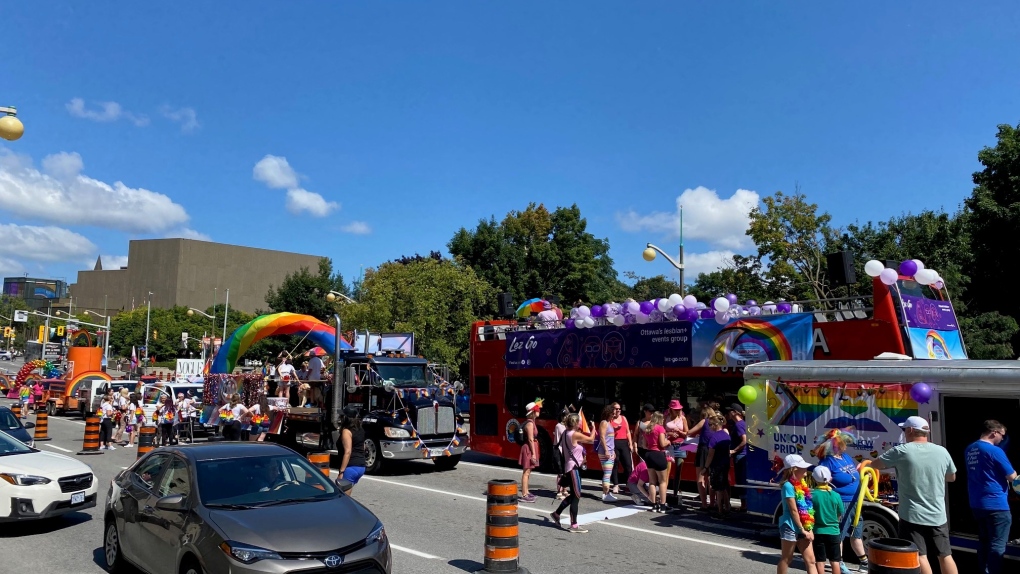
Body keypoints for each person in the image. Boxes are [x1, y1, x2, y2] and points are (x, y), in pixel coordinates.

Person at [872, 416, 958, 574]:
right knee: (945, 555)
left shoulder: (901, 451)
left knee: (920, 555)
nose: (904, 433)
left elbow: (875, 465)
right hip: (938, 515)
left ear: (910, 430)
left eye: (905, 429)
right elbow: (951, 477)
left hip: (912, 515)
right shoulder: (942, 451)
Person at [964, 420, 1018, 574]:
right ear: (994, 432)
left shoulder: (970, 449)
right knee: (997, 545)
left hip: (977, 504)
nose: (1002, 438)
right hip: (996, 505)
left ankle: (984, 571)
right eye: (1002, 435)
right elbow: (1012, 476)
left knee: (984, 542)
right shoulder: (995, 451)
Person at [814, 429, 869, 572]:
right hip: (842, 502)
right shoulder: (827, 462)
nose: (842, 445)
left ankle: (864, 562)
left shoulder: (845, 457)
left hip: (855, 502)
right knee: (839, 535)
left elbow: (853, 473)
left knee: (856, 533)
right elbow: (822, 480)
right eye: (839, 443)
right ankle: (839, 562)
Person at [551, 413, 595, 533]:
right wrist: (593, 427)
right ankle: (574, 525)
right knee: (576, 496)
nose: (581, 423)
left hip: (570, 467)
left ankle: (556, 513)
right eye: (579, 422)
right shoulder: (574, 434)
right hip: (573, 469)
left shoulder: (566, 433)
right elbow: (591, 439)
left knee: (575, 495)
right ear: (575, 423)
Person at [777, 454, 818, 574]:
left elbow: (806, 509)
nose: (806, 470)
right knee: (787, 559)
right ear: (794, 469)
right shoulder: (788, 486)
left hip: (804, 526)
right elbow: (793, 510)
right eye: (803, 467)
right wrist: (802, 530)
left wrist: (809, 528)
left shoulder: (802, 484)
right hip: (790, 526)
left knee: (811, 560)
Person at [811, 466, 845, 574]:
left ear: (814, 479)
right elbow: (840, 513)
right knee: (835, 560)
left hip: (817, 531)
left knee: (820, 560)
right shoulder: (836, 495)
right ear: (830, 479)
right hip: (834, 531)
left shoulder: (812, 495)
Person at [690, 403, 719, 510]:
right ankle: (712, 503)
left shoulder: (704, 421)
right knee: (711, 478)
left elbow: (689, 432)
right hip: (714, 450)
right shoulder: (716, 423)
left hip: (703, 450)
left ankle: (704, 504)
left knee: (701, 478)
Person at [702, 414, 732, 516]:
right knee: (723, 486)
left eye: (710, 425)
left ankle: (720, 510)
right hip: (725, 464)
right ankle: (727, 507)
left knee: (718, 488)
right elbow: (728, 451)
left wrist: (705, 467)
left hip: (717, 465)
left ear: (715, 425)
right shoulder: (726, 435)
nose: (709, 427)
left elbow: (710, 455)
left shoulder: (714, 437)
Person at [643, 411, 672, 513]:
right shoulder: (660, 428)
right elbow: (662, 444)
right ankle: (663, 505)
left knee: (652, 482)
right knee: (662, 482)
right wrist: (668, 441)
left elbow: (644, 444)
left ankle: (654, 505)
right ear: (660, 419)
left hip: (649, 454)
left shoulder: (647, 429)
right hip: (658, 455)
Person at [338, 405, 367, 495]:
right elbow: (364, 447)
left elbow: (348, 452)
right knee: (346, 495)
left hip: (351, 467)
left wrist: (341, 471)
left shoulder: (346, 431)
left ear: (346, 418)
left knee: (343, 498)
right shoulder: (360, 429)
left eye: (342, 416)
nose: (340, 418)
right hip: (361, 466)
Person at [664, 399, 688, 505]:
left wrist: (679, 432)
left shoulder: (683, 418)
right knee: (667, 471)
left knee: (678, 469)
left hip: (681, 445)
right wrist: (669, 433)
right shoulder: (666, 417)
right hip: (669, 445)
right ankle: (664, 494)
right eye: (676, 409)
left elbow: (687, 433)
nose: (678, 411)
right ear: (671, 409)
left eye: (679, 409)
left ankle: (675, 494)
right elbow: (661, 430)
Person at [726, 403, 749, 512]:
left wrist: (734, 450)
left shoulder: (738, 425)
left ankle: (744, 505)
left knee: (740, 480)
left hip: (740, 455)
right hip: (743, 455)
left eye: (730, 411)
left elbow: (744, 440)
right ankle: (745, 504)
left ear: (735, 412)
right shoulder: (743, 423)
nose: (728, 413)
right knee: (743, 479)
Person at [518, 400, 542, 503]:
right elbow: (530, 439)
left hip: (529, 448)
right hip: (528, 449)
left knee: (528, 471)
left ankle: (526, 492)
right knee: (526, 471)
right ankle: (524, 494)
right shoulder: (530, 424)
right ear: (533, 412)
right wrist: (533, 453)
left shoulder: (531, 422)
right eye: (537, 410)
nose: (539, 411)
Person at [608, 401, 633, 496]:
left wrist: (630, 443)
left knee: (628, 465)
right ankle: (615, 484)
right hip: (613, 442)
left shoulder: (623, 418)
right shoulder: (609, 419)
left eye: (619, 409)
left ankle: (628, 484)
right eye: (616, 409)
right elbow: (606, 431)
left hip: (623, 443)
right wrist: (614, 429)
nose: (618, 410)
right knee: (615, 464)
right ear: (612, 409)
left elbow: (627, 432)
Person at [597, 405, 618, 502]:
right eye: (612, 414)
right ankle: (606, 494)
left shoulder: (608, 423)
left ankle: (606, 493)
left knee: (607, 473)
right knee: (607, 474)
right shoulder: (604, 423)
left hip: (609, 451)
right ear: (608, 413)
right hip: (606, 452)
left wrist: (612, 451)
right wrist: (606, 450)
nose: (614, 416)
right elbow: (602, 437)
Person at [553, 408, 569, 499]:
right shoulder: (559, 426)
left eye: (567, 415)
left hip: (565, 450)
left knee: (566, 471)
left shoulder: (567, 426)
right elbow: (560, 439)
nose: (565, 417)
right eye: (564, 415)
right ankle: (559, 491)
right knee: (560, 471)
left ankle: (565, 489)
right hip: (559, 449)